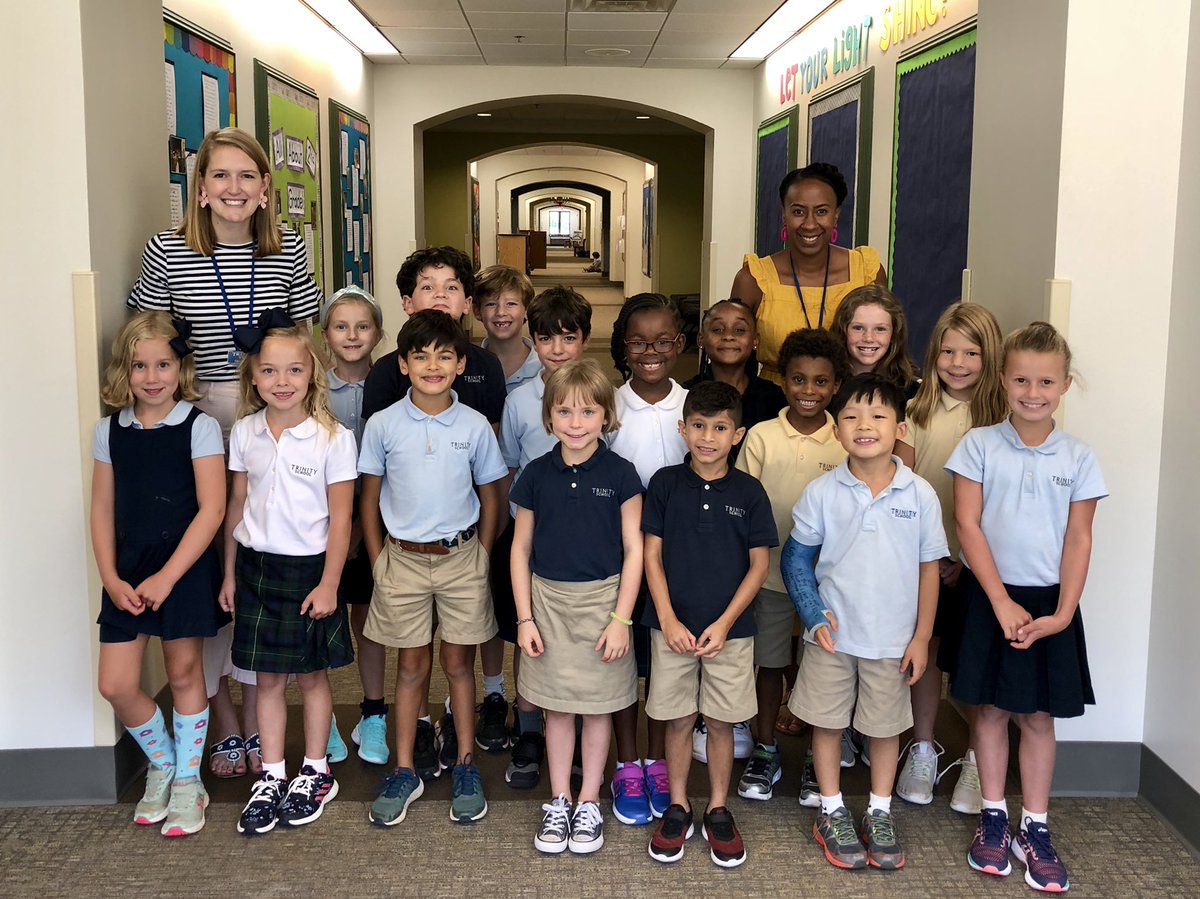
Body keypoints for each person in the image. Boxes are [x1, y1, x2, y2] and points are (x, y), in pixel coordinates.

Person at [128, 126, 322, 780]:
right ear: (200, 188)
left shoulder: (288, 249)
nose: (234, 188)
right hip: (198, 421)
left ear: (267, 189)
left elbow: (303, 341)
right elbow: (148, 338)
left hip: (273, 415)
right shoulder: (169, 251)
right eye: (221, 176)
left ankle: (261, 698)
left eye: (247, 176)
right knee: (206, 576)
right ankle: (228, 720)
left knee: (263, 564)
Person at [946, 322, 1105, 893]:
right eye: (1020, 379)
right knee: (987, 711)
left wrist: (1063, 613)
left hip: (1050, 605)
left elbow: (1079, 539)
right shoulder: (978, 445)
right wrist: (999, 600)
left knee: (1038, 717)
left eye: (1045, 381)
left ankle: (1033, 827)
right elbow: (967, 524)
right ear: (1003, 380)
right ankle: (993, 817)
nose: (1031, 392)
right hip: (992, 595)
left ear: (1065, 384)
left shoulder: (1080, 457)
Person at [781, 373, 946, 871]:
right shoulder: (821, 492)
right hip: (831, 639)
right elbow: (796, 560)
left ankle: (879, 811)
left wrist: (921, 637)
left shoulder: (920, 495)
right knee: (828, 724)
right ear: (836, 429)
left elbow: (929, 570)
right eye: (850, 416)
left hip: (892, 640)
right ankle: (831, 810)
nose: (864, 425)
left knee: (883, 728)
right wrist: (813, 616)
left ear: (900, 427)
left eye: (878, 416)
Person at [360, 246, 507, 781]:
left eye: (445, 357)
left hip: (461, 556)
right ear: (403, 365)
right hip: (401, 560)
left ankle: (465, 761)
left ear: (461, 363)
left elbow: (493, 492)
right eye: (420, 358)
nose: (432, 367)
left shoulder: (471, 423)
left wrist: (483, 553)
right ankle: (405, 765)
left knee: (458, 664)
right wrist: (378, 560)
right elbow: (369, 495)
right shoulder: (383, 422)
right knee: (412, 664)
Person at [220, 309, 357, 836]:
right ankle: (273, 773)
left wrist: (330, 583)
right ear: (253, 377)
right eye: (270, 371)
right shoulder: (246, 433)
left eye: (294, 370)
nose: (282, 382)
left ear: (312, 374)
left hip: (309, 572)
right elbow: (236, 504)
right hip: (256, 568)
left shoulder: (332, 438)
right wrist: (230, 574)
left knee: (312, 676)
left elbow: (341, 516)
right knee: (267, 679)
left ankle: (316, 770)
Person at [92, 313, 226, 837]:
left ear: (179, 368)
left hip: (183, 568)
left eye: (163, 364)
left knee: (185, 674)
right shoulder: (109, 431)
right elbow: (102, 509)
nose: (152, 376)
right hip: (126, 569)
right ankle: (164, 762)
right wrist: (109, 576)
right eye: (140, 365)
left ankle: (189, 781)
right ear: (124, 370)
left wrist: (169, 577)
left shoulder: (200, 426)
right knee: (116, 683)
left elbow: (211, 510)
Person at [511, 360, 644, 855]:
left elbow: (635, 551)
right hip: (547, 603)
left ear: (606, 417)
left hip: (605, 604)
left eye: (588, 411)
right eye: (564, 411)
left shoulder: (622, 475)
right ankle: (560, 798)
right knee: (557, 707)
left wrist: (621, 620)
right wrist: (524, 618)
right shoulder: (535, 475)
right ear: (549, 418)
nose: (575, 421)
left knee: (599, 707)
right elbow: (520, 549)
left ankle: (590, 800)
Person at [644, 382, 776, 868]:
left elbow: (759, 566)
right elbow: (651, 556)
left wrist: (724, 623)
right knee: (677, 718)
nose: (707, 437)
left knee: (721, 721)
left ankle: (719, 807)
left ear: (737, 434)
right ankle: (678, 805)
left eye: (720, 428)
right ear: (683, 429)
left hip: (731, 632)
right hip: (671, 626)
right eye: (698, 426)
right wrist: (666, 617)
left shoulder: (750, 491)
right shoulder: (663, 484)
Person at [893, 303, 1008, 813]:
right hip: (926, 559)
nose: (958, 362)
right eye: (948, 351)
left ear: (991, 358)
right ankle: (922, 747)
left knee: (976, 659)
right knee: (928, 652)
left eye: (972, 353)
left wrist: (964, 555)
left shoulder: (1002, 417)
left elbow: (1000, 502)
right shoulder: (916, 410)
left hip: (980, 560)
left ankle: (979, 763)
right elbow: (908, 486)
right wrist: (931, 555)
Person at [733, 328, 849, 805]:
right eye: (798, 379)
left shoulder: (845, 439)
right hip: (771, 580)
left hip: (829, 587)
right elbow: (742, 503)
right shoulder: (761, 436)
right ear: (782, 381)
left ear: (836, 385)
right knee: (769, 664)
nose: (808, 390)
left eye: (820, 382)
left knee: (819, 668)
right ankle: (766, 748)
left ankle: (812, 760)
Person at [497, 286, 594, 789]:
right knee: (529, 633)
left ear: (585, 341)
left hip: (585, 539)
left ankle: (576, 726)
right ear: (532, 341)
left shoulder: (600, 397)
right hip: (531, 536)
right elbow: (512, 466)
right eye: (545, 339)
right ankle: (530, 727)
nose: (556, 349)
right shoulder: (518, 401)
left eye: (568, 338)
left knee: (579, 637)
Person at [606, 293, 689, 824]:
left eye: (662, 342)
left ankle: (658, 760)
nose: (651, 352)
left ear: (680, 345)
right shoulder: (609, 407)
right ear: (623, 347)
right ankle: (624, 762)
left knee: (666, 667)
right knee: (621, 667)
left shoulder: (696, 408)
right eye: (638, 342)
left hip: (681, 564)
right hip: (619, 563)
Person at [730, 163, 887, 385]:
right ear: (784, 214)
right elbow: (735, 360)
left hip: (851, 403)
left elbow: (886, 351)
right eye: (798, 212)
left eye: (821, 211)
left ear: (836, 215)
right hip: (772, 403)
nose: (810, 224)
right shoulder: (754, 279)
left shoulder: (867, 272)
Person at [319, 287, 388, 768]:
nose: (352, 335)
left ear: (379, 335)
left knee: (369, 623)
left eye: (363, 326)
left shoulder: (393, 387)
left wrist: (366, 534)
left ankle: (374, 713)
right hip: (318, 529)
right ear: (325, 336)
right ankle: (321, 722)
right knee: (320, 622)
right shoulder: (311, 388)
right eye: (341, 326)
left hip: (375, 523)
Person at [683, 298, 786, 458]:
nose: (729, 336)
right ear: (701, 339)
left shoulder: (774, 398)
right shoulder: (685, 394)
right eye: (717, 329)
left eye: (739, 330)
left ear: (755, 340)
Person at [829, 284, 918, 394]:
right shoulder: (827, 386)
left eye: (880, 329)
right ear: (842, 331)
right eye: (858, 328)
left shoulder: (911, 391)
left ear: (894, 335)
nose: (868, 338)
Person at [473, 265, 541, 394]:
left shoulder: (543, 367)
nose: (501, 312)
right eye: (491, 304)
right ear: (477, 311)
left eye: (511, 304)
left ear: (527, 310)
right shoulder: (467, 366)